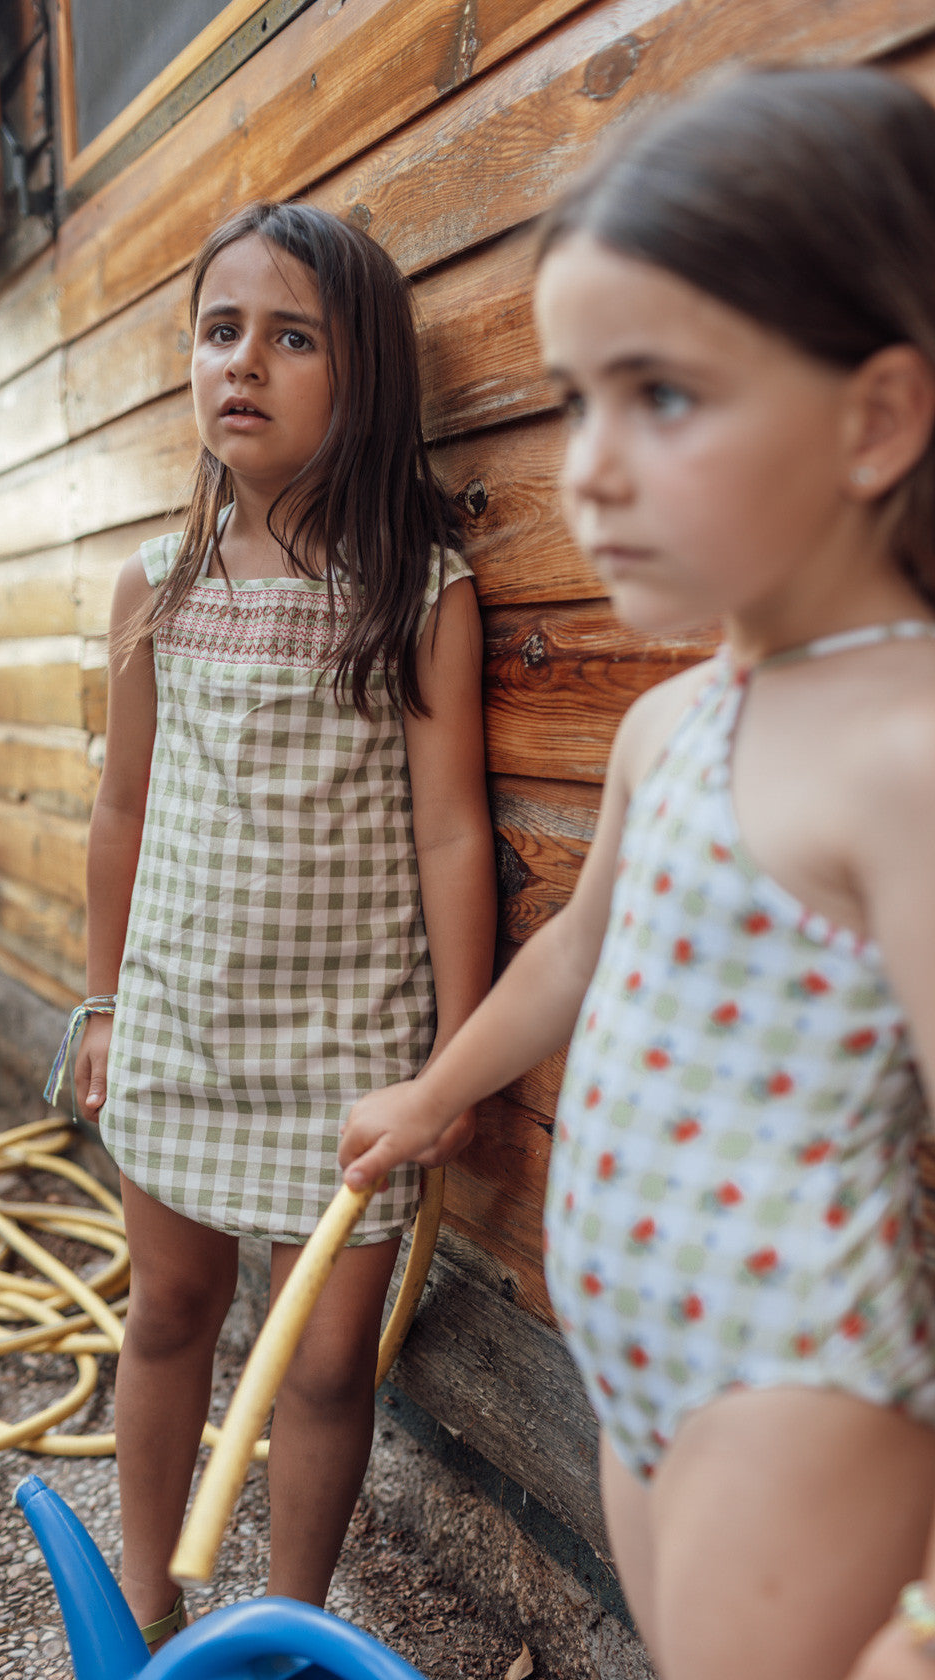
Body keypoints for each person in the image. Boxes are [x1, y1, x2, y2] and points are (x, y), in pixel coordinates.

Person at [339, 66, 935, 1680]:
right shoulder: (675, 723)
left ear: (875, 419)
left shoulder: (907, 751)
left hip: (786, 1387)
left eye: (660, 397)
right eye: (577, 397)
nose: (588, 465)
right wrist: (429, 1097)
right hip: (635, 1356)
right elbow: (575, 955)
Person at [53, 201, 495, 1648]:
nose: (243, 362)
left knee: (319, 1369)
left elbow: (448, 833)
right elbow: (120, 814)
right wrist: (106, 1002)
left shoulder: (416, 596)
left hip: (346, 1058)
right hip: (180, 1029)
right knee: (171, 1313)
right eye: (220, 331)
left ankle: (289, 1628)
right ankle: (143, 1597)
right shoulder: (155, 592)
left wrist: (460, 1064)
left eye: (291, 337)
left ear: (361, 379)